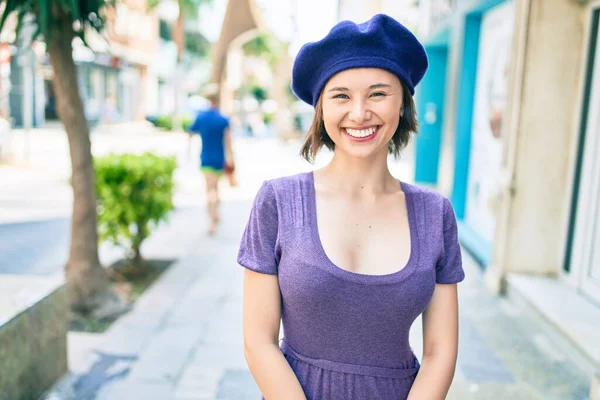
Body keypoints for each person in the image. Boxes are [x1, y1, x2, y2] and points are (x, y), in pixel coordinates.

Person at [238, 14, 465, 400]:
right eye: (341, 95)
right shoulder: (278, 201)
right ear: (321, 109)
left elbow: (439, 351)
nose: (359, 113)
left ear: (403, 104)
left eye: (378, 93)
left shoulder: (434, 213)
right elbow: (258, 341)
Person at [188, 84, 234, 235]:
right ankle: (216, 215)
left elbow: (190, 132)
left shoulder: (201, 117)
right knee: (216, 189)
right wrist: (231, 161)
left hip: (206, 158)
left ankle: (212, 222)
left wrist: (188, 151)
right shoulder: (223, 119)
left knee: (210, 190)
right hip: (219, 159)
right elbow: (228, 144)